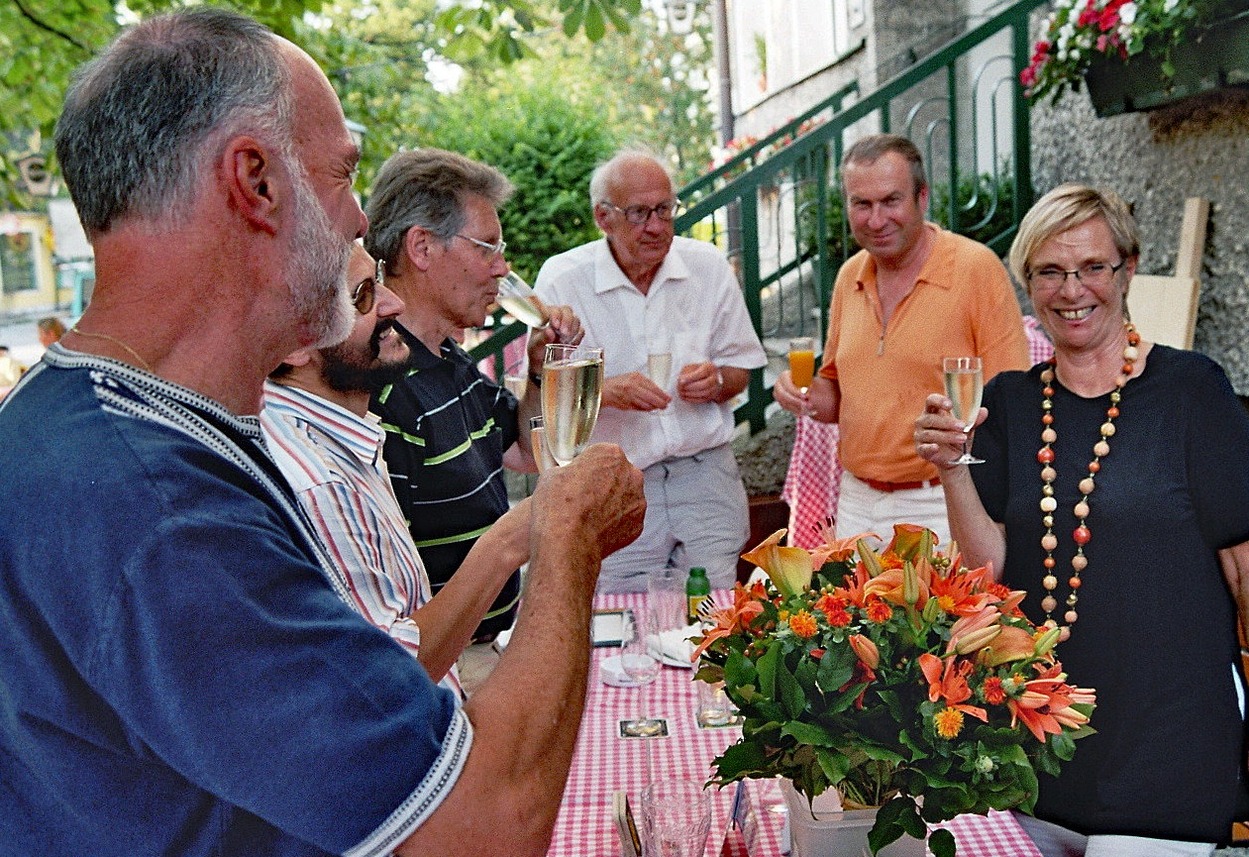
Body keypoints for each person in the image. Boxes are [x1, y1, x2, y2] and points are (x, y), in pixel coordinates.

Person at [0, 9, 644, 856]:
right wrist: (563, 530)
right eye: (342, 175)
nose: (354, 223)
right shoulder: (160, 507)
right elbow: (484, 829)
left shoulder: (79, 423)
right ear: (255, 181)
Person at [914, 183, 1249, 856]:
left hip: (1166, 757)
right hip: (1034, 752)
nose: (1072, 290)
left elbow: (1243, 571)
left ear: (1126, 269)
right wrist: (952, 468)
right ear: (1026, 282)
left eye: (1091, 267)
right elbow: (985, 576)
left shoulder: (1191, 392)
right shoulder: (1008, 401)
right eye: (1049, 271)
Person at [261, 243, 532, 698]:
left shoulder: (338, 432)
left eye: (380, 279)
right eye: (364, 295)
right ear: (295, 342)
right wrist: (514, 539)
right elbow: (392, 675)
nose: (394, 303)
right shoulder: (318, 480)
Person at [364, 148, 583, 643]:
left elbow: (525, 453)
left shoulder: (448, 360)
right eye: (486, 247)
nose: (502, 268)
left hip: (483, 650)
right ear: (421, 248)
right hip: (443, 670)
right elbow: (385, 598)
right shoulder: (386, 386)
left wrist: (539, 373)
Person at [772, 133, 1029, 547]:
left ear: (922, 197)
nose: (876, 220)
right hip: (856, 501)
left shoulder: (975, 268)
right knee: (850, 615)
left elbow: (1012, 398)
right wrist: (799, 393)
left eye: (891, 201)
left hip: (941, 504)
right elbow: (838, 395)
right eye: (862, 204)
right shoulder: (847, 276)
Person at [533, 147, 768, 592]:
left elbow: (742, 368)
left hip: (706, 477)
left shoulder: (707, 266)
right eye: (639, 213)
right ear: (603, 217)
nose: (656, 227)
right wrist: (603, 390)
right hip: (617, 481)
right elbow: (545, 389)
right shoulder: (564, 279)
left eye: (664, 209)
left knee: (714, 618)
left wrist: (717, 381)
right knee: (621, 622)